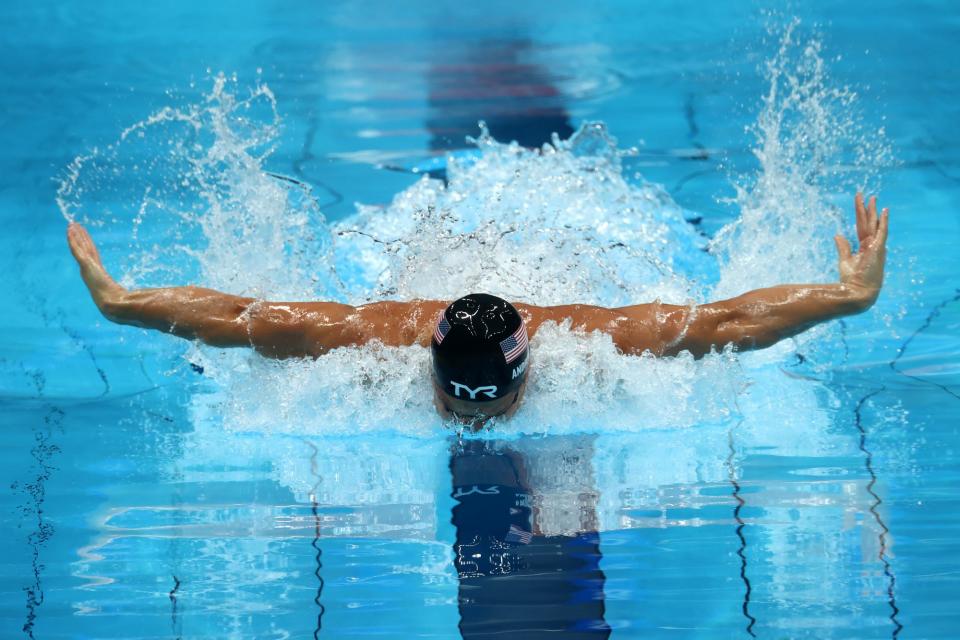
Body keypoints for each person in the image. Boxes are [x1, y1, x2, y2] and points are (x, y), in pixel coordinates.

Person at [67, 193, 889, 427]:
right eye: (467, 401)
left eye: (491, 401)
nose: (476, 420)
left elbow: (725, 324)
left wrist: (849, 296)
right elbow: (242, 316)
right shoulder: (367, 340)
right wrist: (122, 302)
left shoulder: (590, 341)